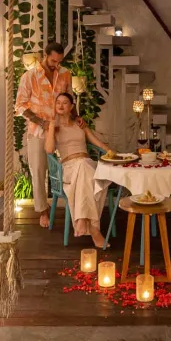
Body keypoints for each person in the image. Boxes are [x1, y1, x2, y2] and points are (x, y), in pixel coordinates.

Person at [14, 41, 71, 228]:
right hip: (37, 131)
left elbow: (70, 100)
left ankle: (75, 206)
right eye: (53, 60)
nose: (56, 64)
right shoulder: (29, 76)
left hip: (62, 128)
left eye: (59, 61)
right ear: (44, 55)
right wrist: (42, 123)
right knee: (38, 170)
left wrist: (76, 119)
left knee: (70, 165)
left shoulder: (65, 74)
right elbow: (20, 106)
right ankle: (43, 211)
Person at [46, 92, 112, 250]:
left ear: (71, 106)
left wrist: (109, 150)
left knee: (86, 168)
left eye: (65, 103)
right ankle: (95, 230)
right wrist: (50, 127)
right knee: (86, 172)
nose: (61, 105)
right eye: (58, 103)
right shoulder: (53, 127)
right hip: (68, 167)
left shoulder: (79, 123)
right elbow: (49, 149)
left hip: (86, 163)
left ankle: (82, 218)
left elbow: (94, 140)